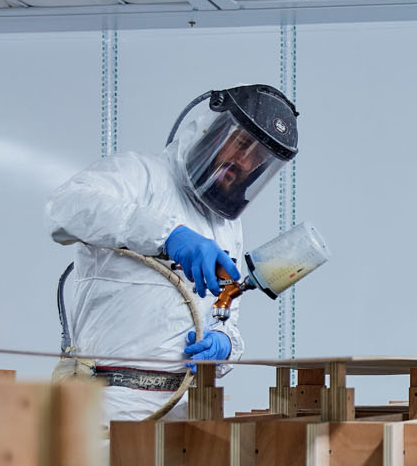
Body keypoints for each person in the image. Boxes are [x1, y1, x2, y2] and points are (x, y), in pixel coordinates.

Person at [46, 84, 298, 420]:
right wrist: (167, 235)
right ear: (212, 129)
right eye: (241, 144)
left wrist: (224, 343)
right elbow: (65, 209)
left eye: (258, 159)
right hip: (106, 406)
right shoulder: (139, 175)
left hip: (182, 407)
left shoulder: (226, 227)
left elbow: (226, 312)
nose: (244, 162)